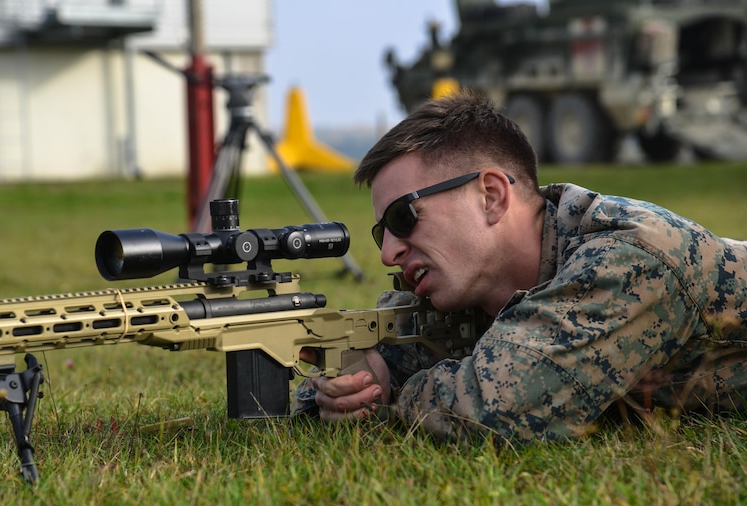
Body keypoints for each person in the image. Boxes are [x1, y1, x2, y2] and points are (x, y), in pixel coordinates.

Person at [292, 89, 747, 443]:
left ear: (491, 196)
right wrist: (345, 389)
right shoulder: (468, 285)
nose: (388, 252)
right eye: (382, 232)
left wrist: (387, 401)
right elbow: (374, 362)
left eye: (402, 218)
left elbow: (500, 409)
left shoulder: (630, 255)